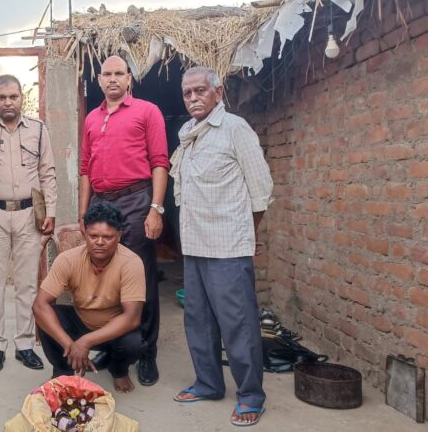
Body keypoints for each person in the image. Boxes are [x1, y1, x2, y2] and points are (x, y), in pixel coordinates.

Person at [170, 66, 273, 427]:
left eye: (200, 91)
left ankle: (250, 396)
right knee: (198, 320)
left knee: (238, 324)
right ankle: (208, 383)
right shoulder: (188, 133)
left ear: (217, 92)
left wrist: (244, 234)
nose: (193, 98)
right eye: (187, 93)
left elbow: (261, 191)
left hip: (228, 247)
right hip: (195, 245)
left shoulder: (234, 129)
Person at [78, 55, 168, 386]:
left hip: (136, 200)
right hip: (101, 204)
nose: (113, 79)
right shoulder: (92, 118)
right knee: (105, 278)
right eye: (107, 74)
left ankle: (146, 352)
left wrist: (155, 209)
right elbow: (85, 168)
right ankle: (114, 347)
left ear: (129, 78)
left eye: (119, 73)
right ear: (99, 79)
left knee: (139, 277)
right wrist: (84, 212)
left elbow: (160, 162)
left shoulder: (147, 111)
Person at [0, 75, 56, 373]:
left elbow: (47, 172)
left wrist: (50, 212)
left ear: (22, 97)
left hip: (28, 215)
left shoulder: (38, 129)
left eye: (13, 96)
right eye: (2, 97)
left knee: (27, 284)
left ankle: (24, 345)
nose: (8, 102)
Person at [33, 202, 145, 393]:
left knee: (133, 343)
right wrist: (70, 345)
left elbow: (131, 318)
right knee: (46, 315)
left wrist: (85, 342)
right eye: (93, 236)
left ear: (119, 235)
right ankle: (63, 372)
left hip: (113, 330)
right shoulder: (68, 259)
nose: (99, 242)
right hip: (81, 321)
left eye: (107, 237)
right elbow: (40, 305)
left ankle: (119, 370)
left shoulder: (131, 263)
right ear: (85, 233)